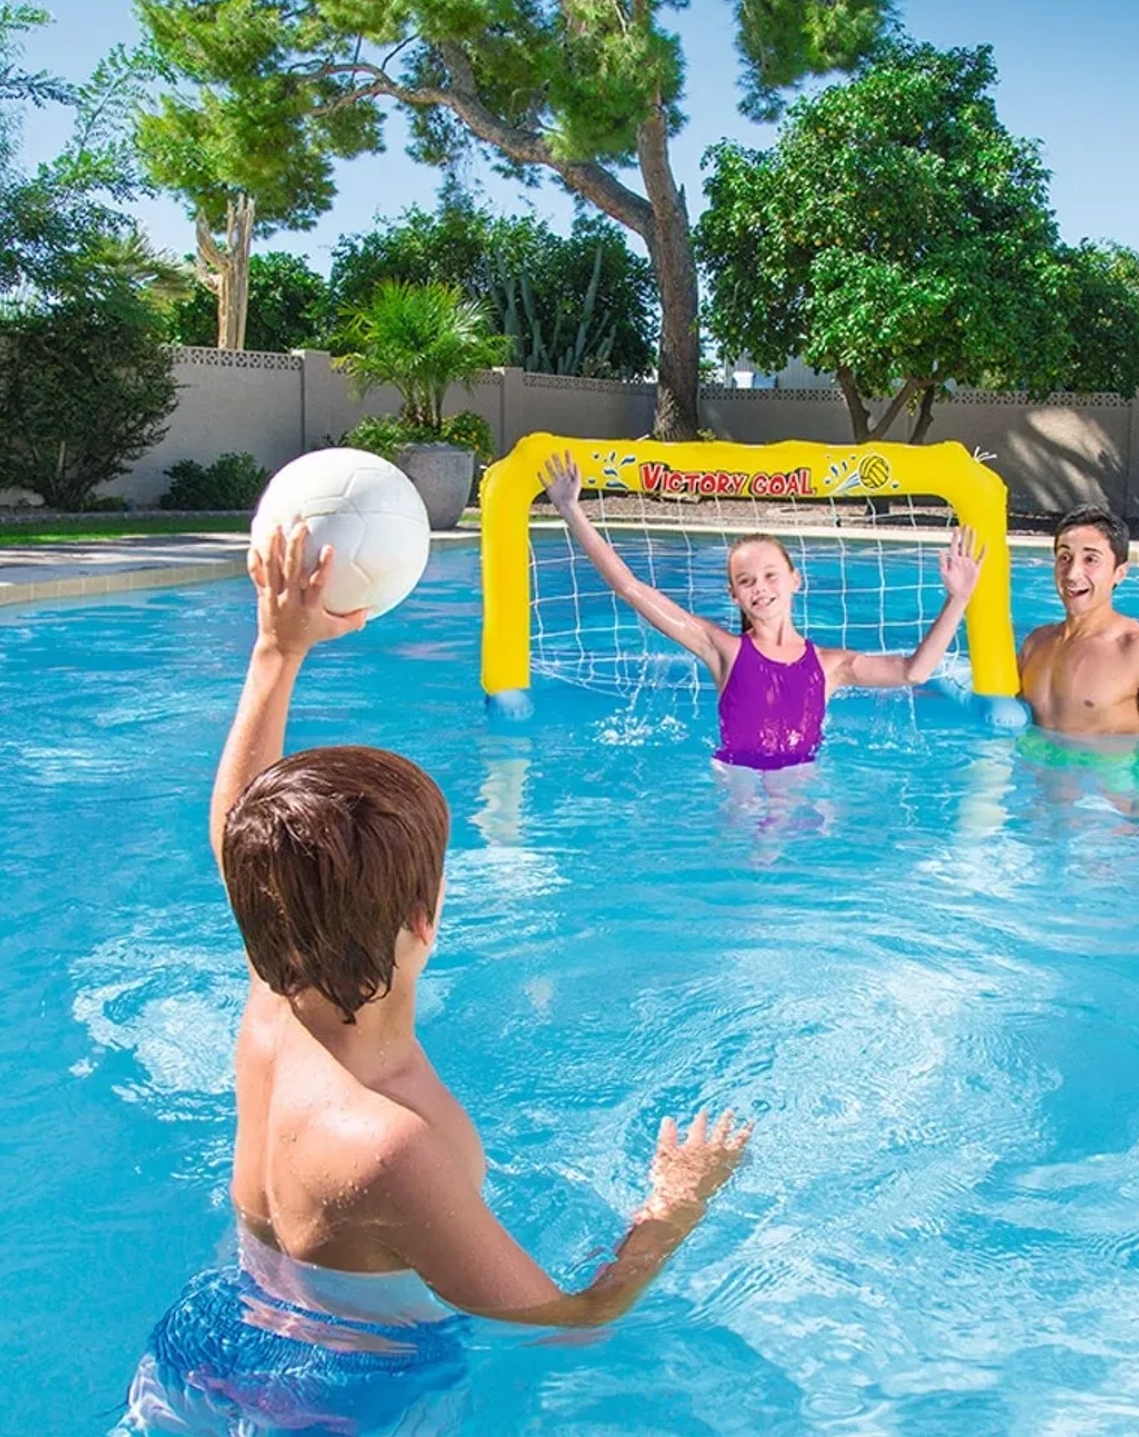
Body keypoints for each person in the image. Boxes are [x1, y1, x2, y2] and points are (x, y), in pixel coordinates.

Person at [122, 525, 750, 1431]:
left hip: (209, 1334)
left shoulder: (273, 1002)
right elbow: (574, 1321)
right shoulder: (390, 1145)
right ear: (425, 923)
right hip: (345, 1397)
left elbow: (239, 835)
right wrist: (674, 1204)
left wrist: (278, 648)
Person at [540, 451, 986, 771]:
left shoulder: (832, 665)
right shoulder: (723, 651)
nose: (761, 589)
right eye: (747, 581)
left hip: (802, 779)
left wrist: (958, 598)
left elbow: (914, 672)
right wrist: (570, 510)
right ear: (733, 594)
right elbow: (630, 588)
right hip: (733, 776)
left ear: (796, 581)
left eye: (772, 575)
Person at [1018, 505, 1139, 759]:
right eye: (1065, 557)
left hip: (1107, 793)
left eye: (1091, 560)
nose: (1073, 573)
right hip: (1042, 792)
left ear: (1119, 572)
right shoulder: (1036, 643)